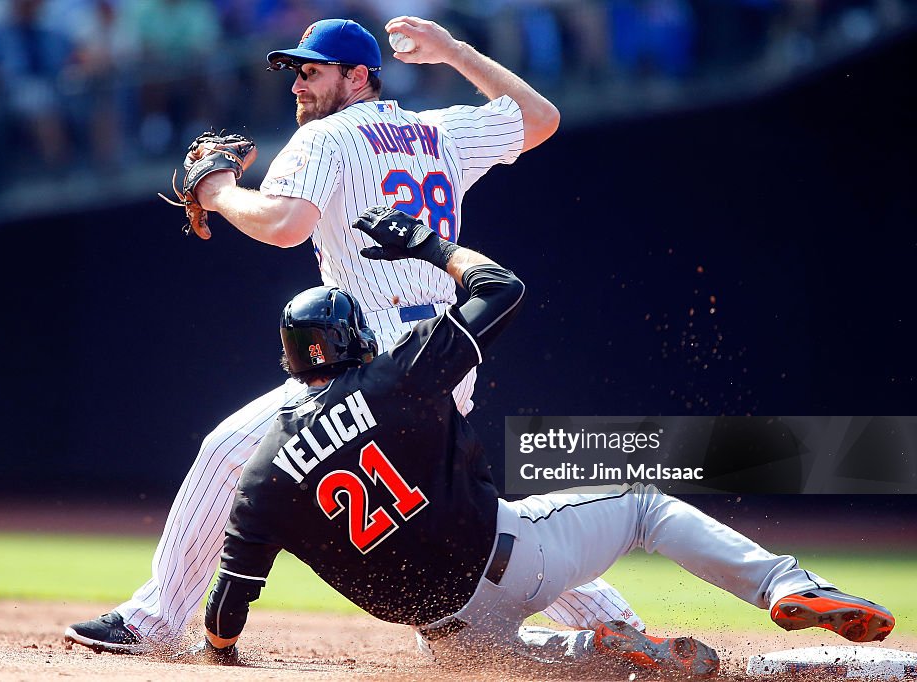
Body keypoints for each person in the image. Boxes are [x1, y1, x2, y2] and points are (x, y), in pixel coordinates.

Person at [64, 16, 644, 653]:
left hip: (379, 369)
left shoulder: (329, 139)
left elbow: (285, 223)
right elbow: (539, 119)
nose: (298, 86)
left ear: (357, 75)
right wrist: (453, 53)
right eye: (295, 73)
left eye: (311, 71)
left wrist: (220, 190)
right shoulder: (436, 131)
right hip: (447, 358)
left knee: (231, 452)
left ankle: (151, 622)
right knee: (456, 514)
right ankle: (618, 628)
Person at [191, 207, 895, 676]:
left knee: (501, 661)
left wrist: (219, 652)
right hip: (514, 559)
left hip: (453, 639)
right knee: (645, 505)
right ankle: (786, 585)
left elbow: (226, 611)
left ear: (290, 358)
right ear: (355, 340)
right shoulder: (395, 375)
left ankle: (596, 651)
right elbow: (503, 288)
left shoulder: (260, 477)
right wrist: (427, 246)